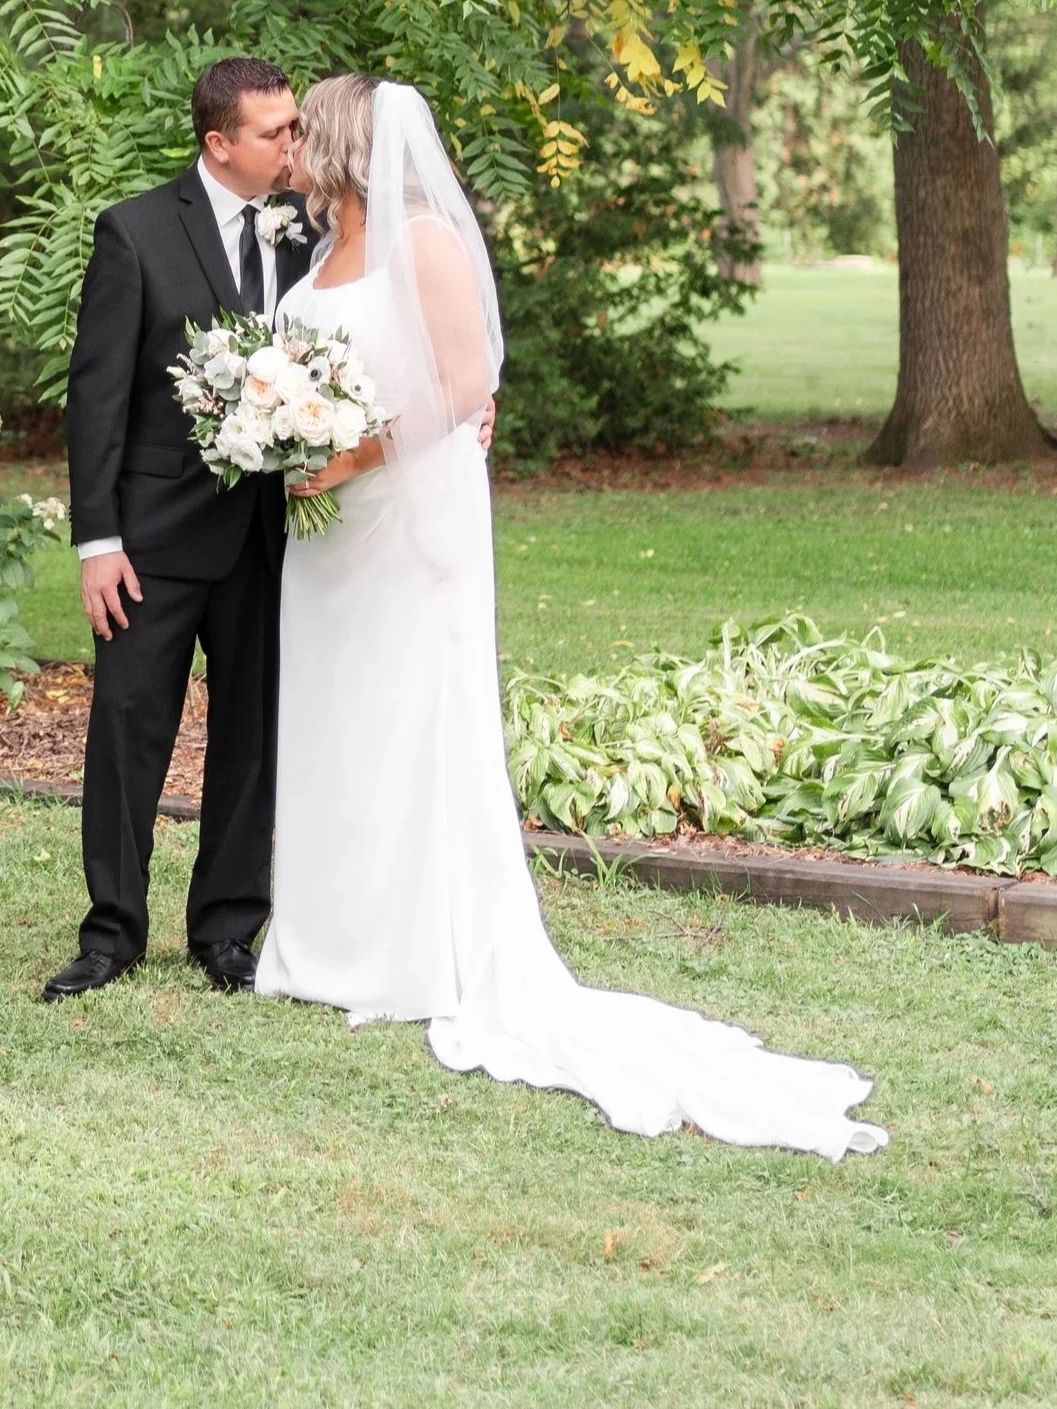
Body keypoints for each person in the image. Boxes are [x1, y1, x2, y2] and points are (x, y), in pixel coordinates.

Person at [255, 73, 889, 1160]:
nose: (294, 142)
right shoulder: (311, 255)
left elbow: (466, 379)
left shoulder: (425, 239)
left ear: (352, 142)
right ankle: (325, 940)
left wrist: (348, 451)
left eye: (307, 126)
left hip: (405, 521)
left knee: (409, 718)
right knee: (336, 721)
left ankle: (413, 952)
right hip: (326, 538)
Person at [42, 55, 319, 1001]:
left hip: (268, 541)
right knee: (127, 732)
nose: (294, 143)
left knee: (251, 738)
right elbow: (97, 399)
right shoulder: (134, 233)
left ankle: (229, 931)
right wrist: (97, 542)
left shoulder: (307, 232)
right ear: (219, 142)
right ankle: (111, 933)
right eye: (276, 130)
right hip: (151, 541)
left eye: (294, 127)